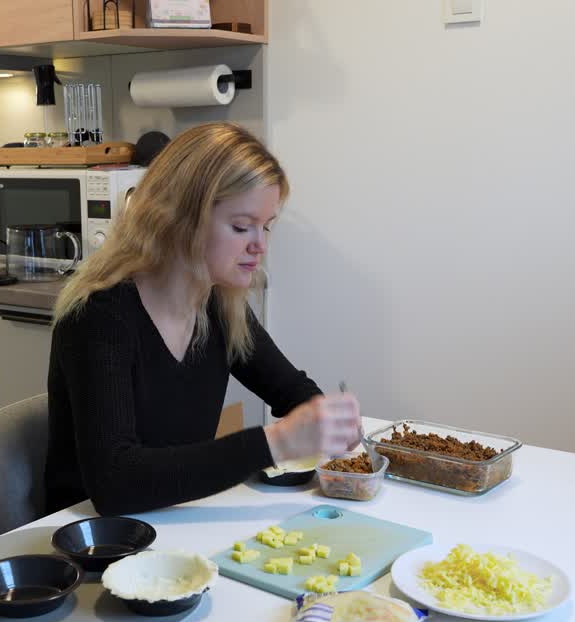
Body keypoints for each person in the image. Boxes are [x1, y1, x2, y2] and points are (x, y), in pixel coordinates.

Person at [44, 122, 361, 516]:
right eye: (241, 226)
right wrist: (275, 443)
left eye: (266, 227)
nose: (259, 245)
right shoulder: (99, 317)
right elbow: (116, 483)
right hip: (87, 538)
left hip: (171, 517)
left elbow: (290, 390)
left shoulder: (218, 305)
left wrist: (328, 419)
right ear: (180, 219)